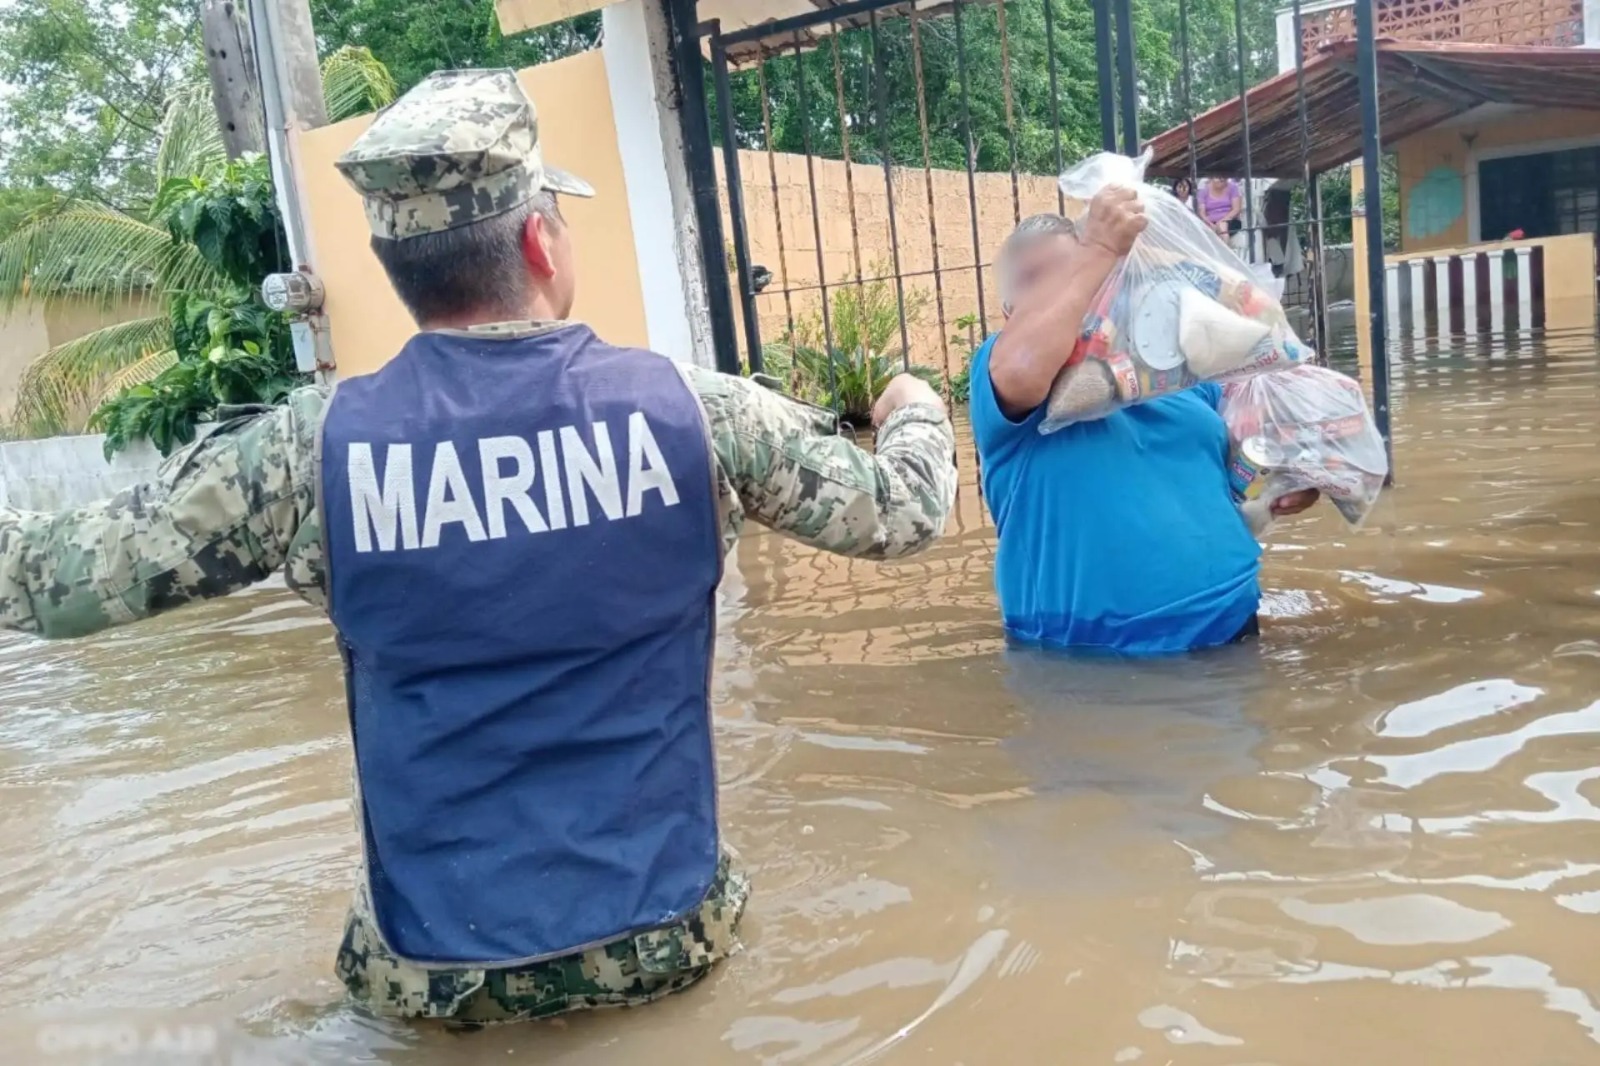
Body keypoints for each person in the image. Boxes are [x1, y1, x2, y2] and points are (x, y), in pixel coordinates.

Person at [0, 70, 957, 1025]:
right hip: (665, 944)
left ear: (390, 264)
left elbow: (50, 584)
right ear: (541, 238)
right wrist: (913, 409)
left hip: (432, 978)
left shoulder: (305, 452)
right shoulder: (697, 415)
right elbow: (905, 511)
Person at [971, 198, 1317, 656]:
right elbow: (1022, 370)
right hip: (1087, 663)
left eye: (1071, 274)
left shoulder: (1175, 368)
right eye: (1039, 284)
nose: (1066, 293)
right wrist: (1095, 247)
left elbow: (1253, 459)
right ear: (1010, 313)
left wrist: (1286, 486)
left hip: (1233, 630)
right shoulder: (1002, 374)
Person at [1198, 176, 1245, 252]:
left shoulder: (1233, 187)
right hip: (1211, 221)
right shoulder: (1204, 190)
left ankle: (1225, 252)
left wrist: (1222, 221)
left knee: (1222, 226)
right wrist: (1209, 223)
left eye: (1224, 177)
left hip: (1231, 220)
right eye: (1218, 177)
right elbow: (1202, 213)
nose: (1221, 179)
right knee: (1210, 229)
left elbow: (1236, 209)